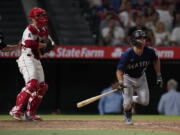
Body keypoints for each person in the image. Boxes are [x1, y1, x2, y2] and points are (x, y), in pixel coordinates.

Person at [6, 7, 54, 121]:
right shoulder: (30, 28)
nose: (42, 18)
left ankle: (30, 114)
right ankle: (16, 110)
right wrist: (41, 45)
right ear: (33, 18)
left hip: (36, 59)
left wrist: (47, 46)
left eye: (43, 15)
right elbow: (28, 43)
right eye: (39, 16)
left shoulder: (44, 30)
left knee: (42, 87)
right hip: (26, 58)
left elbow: (48, 44)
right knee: (32, 84)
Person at [116, 29, 163, 125]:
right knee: (127, 104)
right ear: (134, 40)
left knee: (145, 102)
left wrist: (158, 75)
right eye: (140, 38)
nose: (143, 40)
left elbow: (156, 60)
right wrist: (121, 82)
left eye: (144, 38)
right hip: (128, 78)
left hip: (141, 78)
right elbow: (119, 71)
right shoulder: (127, 54)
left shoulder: (149, 51)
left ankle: (129, 98)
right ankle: (128, 117)